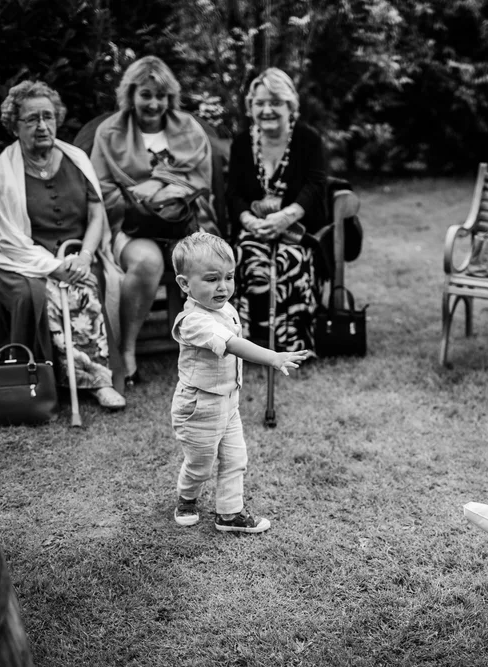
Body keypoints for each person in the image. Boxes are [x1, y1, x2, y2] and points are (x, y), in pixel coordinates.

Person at [0, 80, 126, 410]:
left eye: (48, 116)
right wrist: (52, 266)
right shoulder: (2, 173)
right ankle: (47, 379)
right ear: (14, 126)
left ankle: (97, 381)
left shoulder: (75, 158)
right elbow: (7, 238)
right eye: (31, 119)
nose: (42, 125)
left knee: (82, 285)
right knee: (44, 292)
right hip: (26, 259)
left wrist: (86, 256)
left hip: (79, 255)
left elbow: (96, 211)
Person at [169, 232, 309, 532]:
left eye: (229, 277)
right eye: (211, 279)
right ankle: (187, 499)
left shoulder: (227, 308)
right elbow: (231, 344)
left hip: (228, 402)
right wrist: (273, 357)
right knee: (200, 465)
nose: (223, 287)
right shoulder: (192, 321)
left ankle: (229, 514)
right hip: (199, 407)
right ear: (184, 284)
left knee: (236, 458)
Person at [91, 55, 218, 385]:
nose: (153, 103)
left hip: (183, 222)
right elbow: (101, 188)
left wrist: (162, 189)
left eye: (160, 96)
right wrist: (142, 202)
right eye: (146, 94)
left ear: (170, 97)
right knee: (147, 262)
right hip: (132, 226)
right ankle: (128, 349)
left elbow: (201, 180)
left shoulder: (188, 128)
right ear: (131, 95)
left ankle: (206, 348)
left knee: (204, 261)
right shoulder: (110, 132)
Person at [227, 67, 327, 356]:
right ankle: (252, 344)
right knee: (249, 256)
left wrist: (286, 217)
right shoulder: (242, 143)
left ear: (290, 106)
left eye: (275, 102)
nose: (267, 109)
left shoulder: (308, 139)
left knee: (289, 260)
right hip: (253, 229)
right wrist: (248, 220)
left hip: (297, 230)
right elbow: (233, 193)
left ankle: (293, 344)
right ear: (251, 107)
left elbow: (315, 185)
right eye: (260, 103)